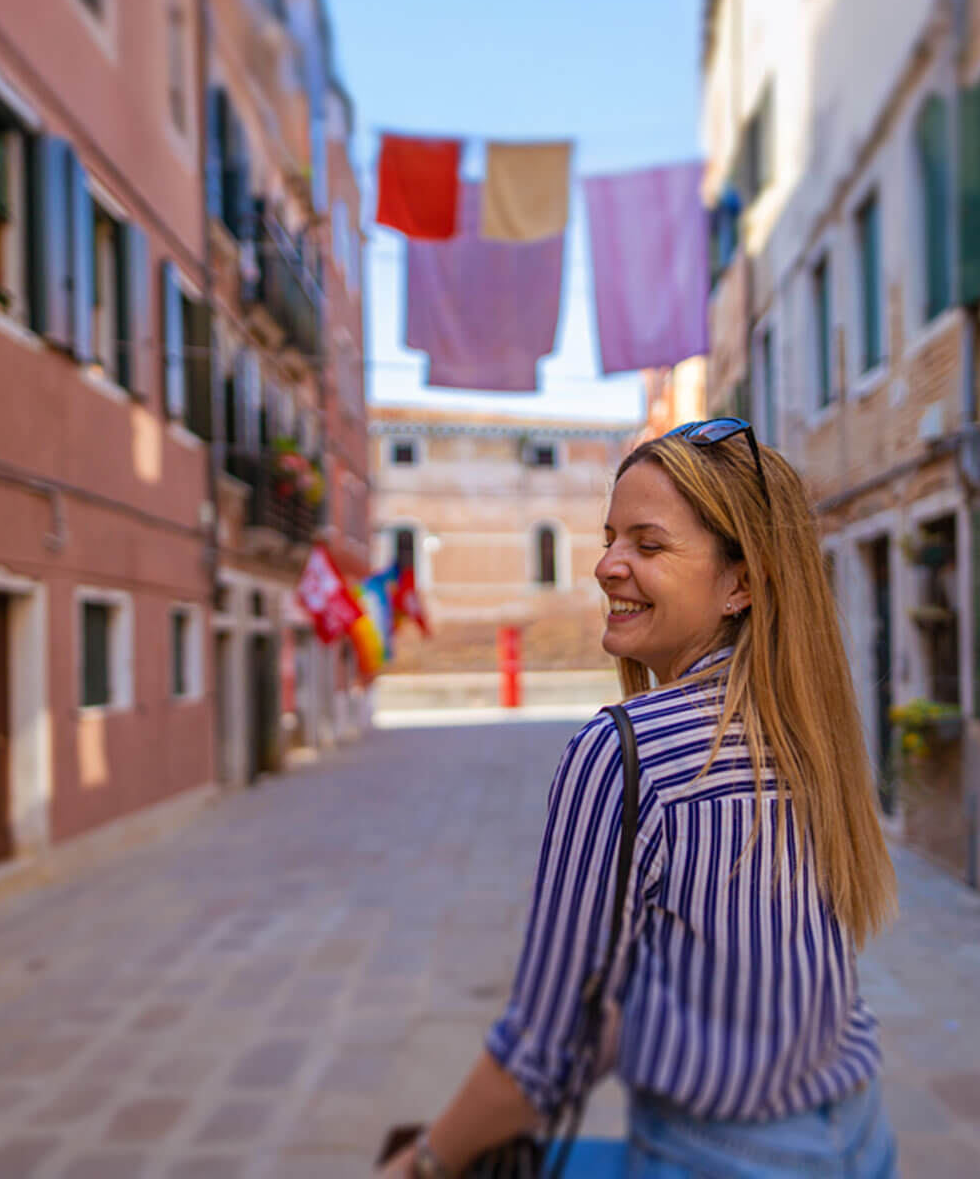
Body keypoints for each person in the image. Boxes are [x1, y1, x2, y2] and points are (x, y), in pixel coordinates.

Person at [379, 419, 899, 1178]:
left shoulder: (625, 754)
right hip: (858, 1136)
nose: (604, 566)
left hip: (716, 1156)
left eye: (647, 546)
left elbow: (544, 1052)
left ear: (741, 582)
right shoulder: (810, 731)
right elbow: (725, 978)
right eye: (609, 538)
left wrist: (422, 1164)